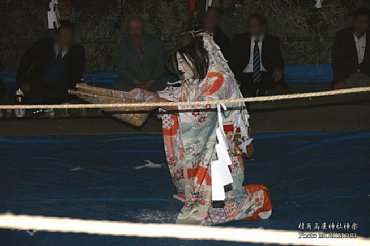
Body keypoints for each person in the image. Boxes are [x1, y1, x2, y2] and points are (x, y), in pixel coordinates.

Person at [126, 32, 272, 225]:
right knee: (203, 206)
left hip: (224, 146)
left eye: (185, 63)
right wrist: (150, 95)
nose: (182, 71)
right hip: (210, 140)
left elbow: (199, 108)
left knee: (211, 212)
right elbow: (182, 95)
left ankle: (257, 198)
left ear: (198, 57)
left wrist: (156, 100)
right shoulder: (198, 75)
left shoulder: (219, 78)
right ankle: (203, 197)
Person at [16, 20, 86, 104]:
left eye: (70, 36)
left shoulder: (78, 51)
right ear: (56, 36)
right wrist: (22, 82)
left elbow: (77, 75)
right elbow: (25, 60)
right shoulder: (44, 45)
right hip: (39, 86)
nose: (68, 39)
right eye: (65, 35)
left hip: (62, 88)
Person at [230, 14, 287, 97]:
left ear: (263, 27)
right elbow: (232, 57)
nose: (252, 29)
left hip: (264, 72)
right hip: (246, 72)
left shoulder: (272, 41)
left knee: (268, 80)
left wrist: (278, 69)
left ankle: (256, 91)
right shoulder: (240, 39)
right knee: (243, 81)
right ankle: (257, 91)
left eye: (256, 26)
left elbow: (278, 59)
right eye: (250, 26)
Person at [114, 16, 168, 92]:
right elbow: (123, 68)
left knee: (168, 82)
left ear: (143, 29)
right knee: (118, 85)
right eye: (131, 29)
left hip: (154, 82)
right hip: (134, 83)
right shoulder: (124, 45)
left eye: (136, 28)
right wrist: (136, 82)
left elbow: (160, 67)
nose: (134, 32)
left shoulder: (156, 43)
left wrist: (150, 83)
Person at [332, 7, 370, 89]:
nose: (361, 24)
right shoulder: (343, 36)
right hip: (347, 77)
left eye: (364, 22)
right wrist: (340, 80)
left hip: (366, 76)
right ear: (354, 22)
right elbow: (337, 60)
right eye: (359, 21)